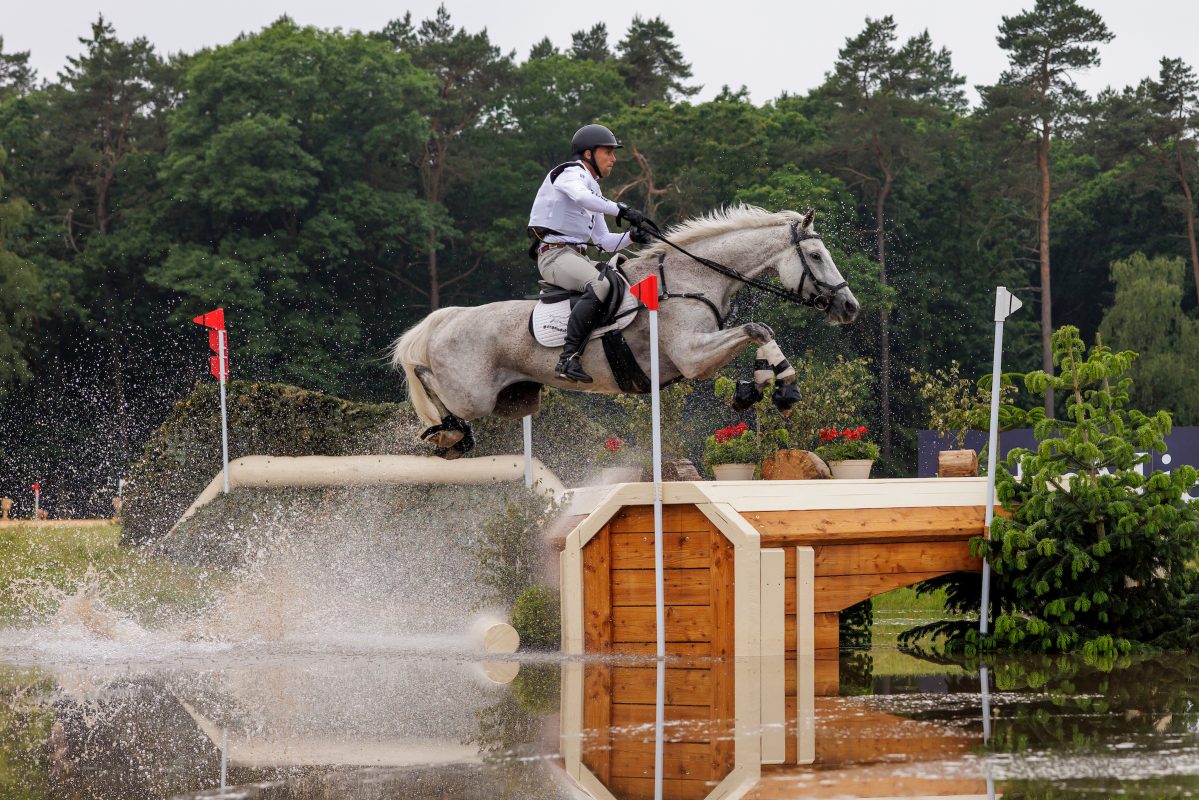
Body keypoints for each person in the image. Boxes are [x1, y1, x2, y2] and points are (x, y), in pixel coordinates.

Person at [527, 124, 652, 382]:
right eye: (608, 152)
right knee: (599, 284)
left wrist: (631, 237)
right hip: (554, 256)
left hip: (576, 256)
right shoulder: (569, 172)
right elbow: (581, 198)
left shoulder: (594, 190)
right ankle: (568, 358)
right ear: (588, 154)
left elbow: (604, 241)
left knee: (622, 278)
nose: (613, 159)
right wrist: (621, 209)